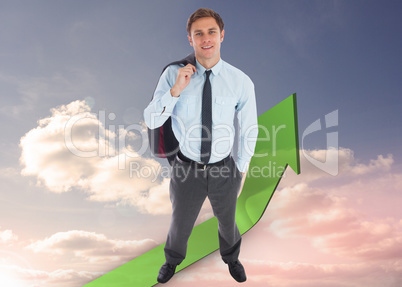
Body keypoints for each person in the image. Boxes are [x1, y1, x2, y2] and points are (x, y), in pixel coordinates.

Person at [143, 8, 258, 284]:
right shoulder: (174, 74)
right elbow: (150, 118)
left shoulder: (240, 81)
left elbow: (249, 128)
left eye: (211, 32)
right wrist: (175, 91)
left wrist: (241, 169)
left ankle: (231, 258)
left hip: (224, 168)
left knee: (228, 222)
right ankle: (172, 261)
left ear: (222, 35)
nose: (206, 38)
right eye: (199, 33)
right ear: (190, 39)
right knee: (179, 224)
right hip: (187, 169)